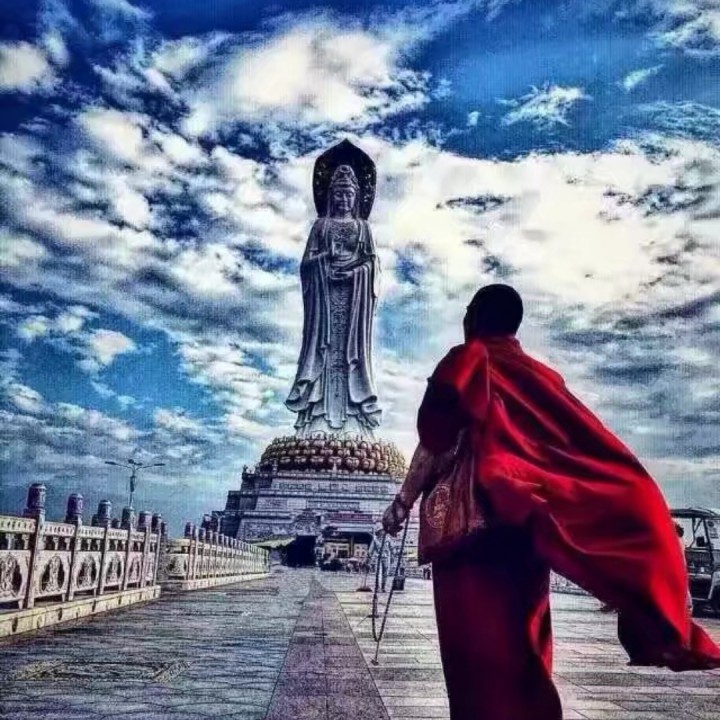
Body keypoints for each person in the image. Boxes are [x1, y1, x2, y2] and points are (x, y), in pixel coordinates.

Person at [383, 283, 720, 720]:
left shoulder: (468, 359)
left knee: (475, 653)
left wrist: (403, 501)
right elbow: (583, 448)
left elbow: (436, 437)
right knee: (525, 639)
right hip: (524, 531)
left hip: (473, 539)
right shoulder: (544, 377)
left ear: (474, 317)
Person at [368, 524, 393, 592]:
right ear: (378, 532)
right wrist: (369, 556)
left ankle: (383, 587)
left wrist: (392, 556)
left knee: (385, 573)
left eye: (383, 531)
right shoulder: (375, 540)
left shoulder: (388, 539)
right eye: (381, 531)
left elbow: (392, 548)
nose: (382, 532)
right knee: (378, 572)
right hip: (378, 557)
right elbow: (371, 549)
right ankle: (377, 587)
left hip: (386, 557)